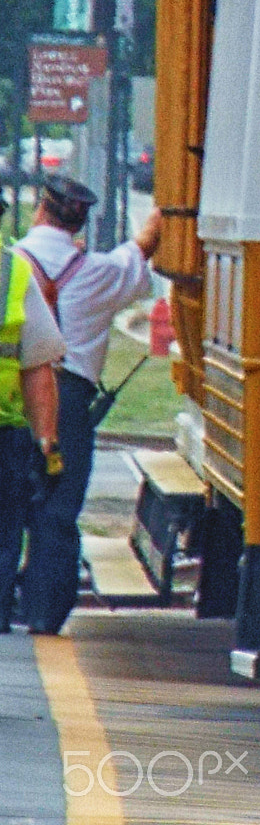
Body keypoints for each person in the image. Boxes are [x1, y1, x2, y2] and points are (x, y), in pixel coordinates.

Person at [18, 175, 161, 636]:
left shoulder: (10, 265)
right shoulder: (100, 273)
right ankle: (45, 612)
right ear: (81, 222)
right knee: (58, 510)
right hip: (70, 405)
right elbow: (143, 247)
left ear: (40, 209)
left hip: (11, 401)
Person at [0, 192, 65, 633]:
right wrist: (48, 444)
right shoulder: (12, 272)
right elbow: (37, 366)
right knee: (4, 530)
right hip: (4, 432)